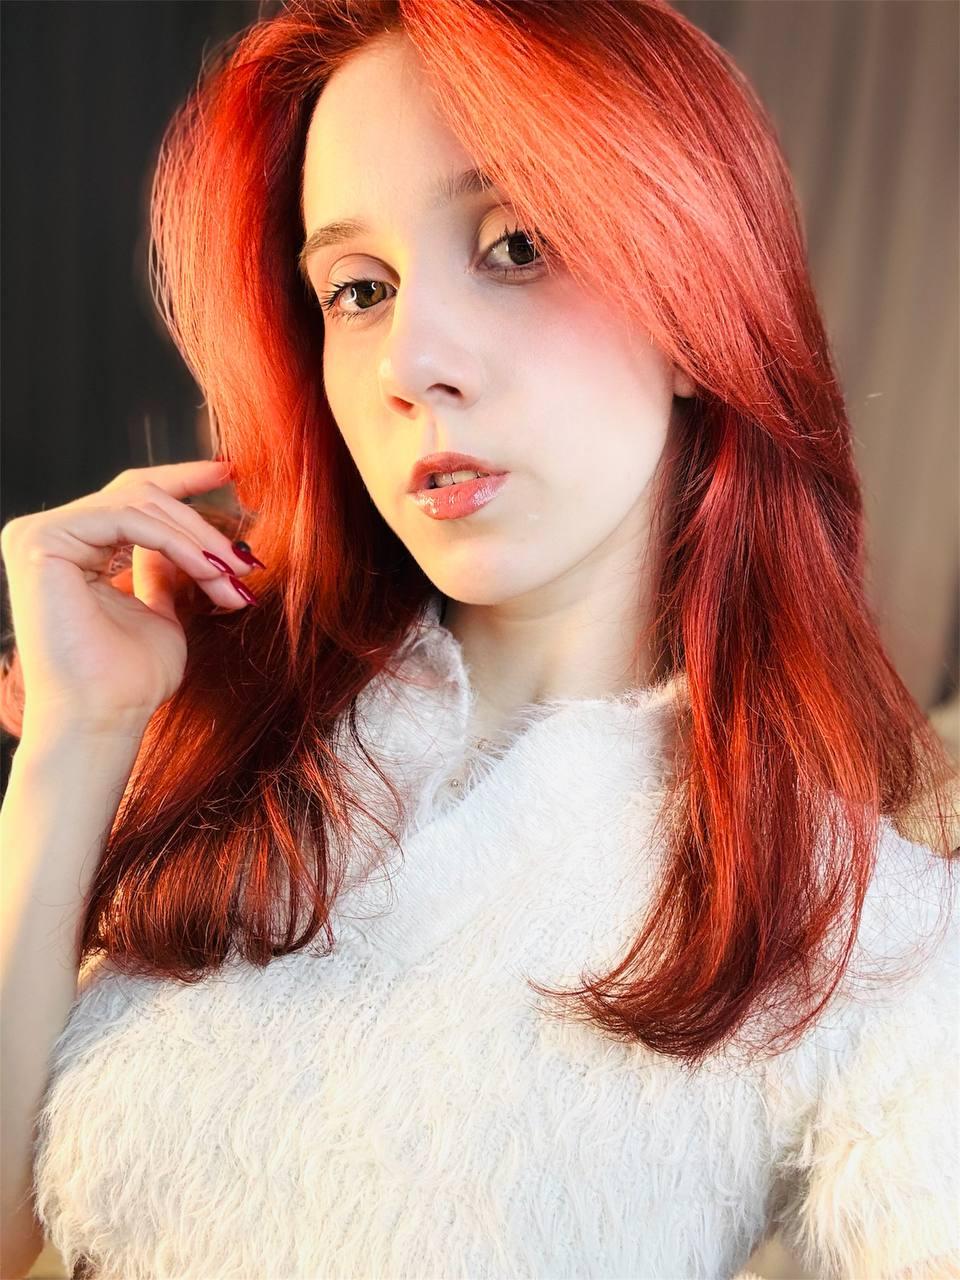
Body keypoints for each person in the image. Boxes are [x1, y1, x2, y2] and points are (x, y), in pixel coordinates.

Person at [1, 2, 957, 1278]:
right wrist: (77, 740)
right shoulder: (224, 729)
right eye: (358, 289)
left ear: (695, 302)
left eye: (516, 245)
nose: (411, 360)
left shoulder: (856, 918)